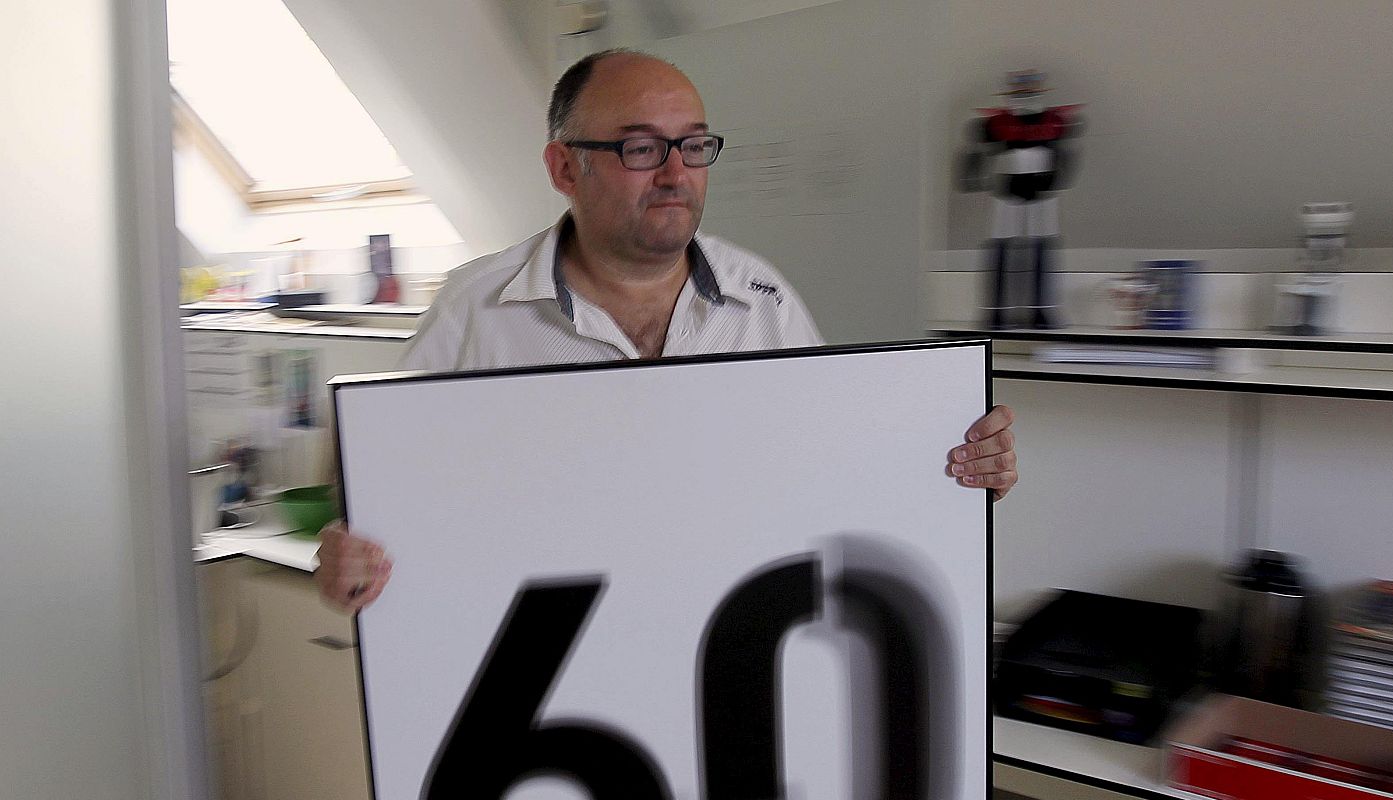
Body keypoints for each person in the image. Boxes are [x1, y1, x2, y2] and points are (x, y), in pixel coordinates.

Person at [317, 48, 1017, 612]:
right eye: (642, 150)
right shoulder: (475, 309)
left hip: (724, 654)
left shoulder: (765, 302)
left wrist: (957, 468)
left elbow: (835, 468)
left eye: (693, 145)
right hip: (547, 653)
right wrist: (347, 550)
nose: (677, 173)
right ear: (565, 166)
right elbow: (368, 475)